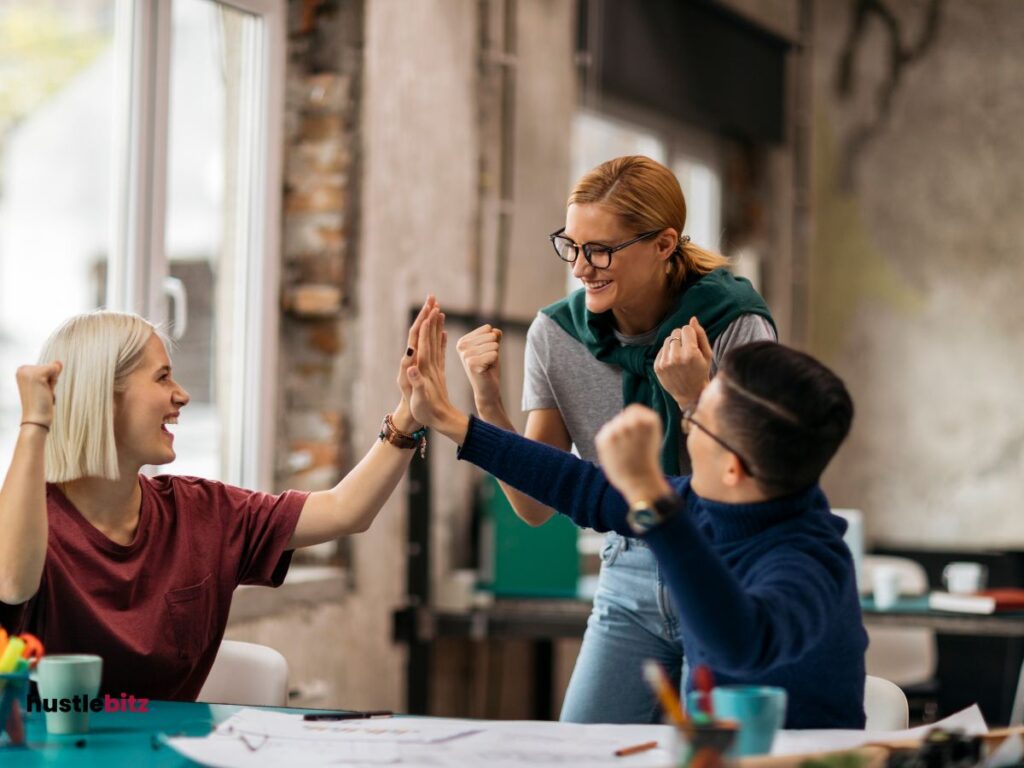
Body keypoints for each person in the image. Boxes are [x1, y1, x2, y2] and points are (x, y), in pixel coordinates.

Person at [406, 311, 866, 728]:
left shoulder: (809, 563)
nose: (686, 427)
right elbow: (578, 485)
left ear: (734, 468)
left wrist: (652, 497)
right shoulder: (712, 505)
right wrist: (448, 419)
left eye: (698, 421)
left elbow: (740, 641)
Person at [456, 155, 777, 722]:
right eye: (572, 246)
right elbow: (533, 509)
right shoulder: (556, 336)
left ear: (663, 243)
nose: (581, 267)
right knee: (577, 756)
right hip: (627, 574)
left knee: (711, 759)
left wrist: (694, 397)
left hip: (729, 571)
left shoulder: (736, 325)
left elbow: (752, 488)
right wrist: (486, 400)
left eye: (600, 249)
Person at [0, 299, 441, 701]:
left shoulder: (202, 513)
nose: (182, 396)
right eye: (162, 377)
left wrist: (409, 413)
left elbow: (347, 510)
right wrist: (35, 422)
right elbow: (13, 583)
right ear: (103, 395)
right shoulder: (26, 524)